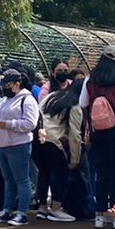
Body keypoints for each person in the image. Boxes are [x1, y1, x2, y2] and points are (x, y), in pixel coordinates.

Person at [82, 48, 115, 229]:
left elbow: (82, 103)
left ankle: (99, 215)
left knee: (101, 172)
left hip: (97, 131)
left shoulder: (90, 79)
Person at [0, 68, 41, 225]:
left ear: (17, 84)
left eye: (8, 85)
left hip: (18, 145)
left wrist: (7, 124)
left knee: (22, 180)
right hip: (2, 145)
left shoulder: (27, 100)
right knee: (8, 179)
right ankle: (7, 210)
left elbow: (30, 123)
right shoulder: (6, 100)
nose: (5, 88)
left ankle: (22, 213)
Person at [36, 70, 82, 221]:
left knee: (43, 173)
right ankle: (56, 209)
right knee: (61, 174)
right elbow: (75, 135)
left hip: (38, 138)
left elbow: (38, 113)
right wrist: (75, 159)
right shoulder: (75, 105)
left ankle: (42, 207)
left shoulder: (52, 96)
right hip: (54, 141)